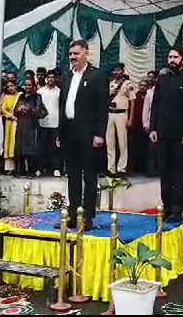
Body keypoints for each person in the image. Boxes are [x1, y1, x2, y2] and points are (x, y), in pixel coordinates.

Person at [58, 39, 108, 231]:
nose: (73, 58)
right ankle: (73, 214)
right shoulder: (67, 77)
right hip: (69, 132)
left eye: (76, 54)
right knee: (72, 176)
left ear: (86, 53)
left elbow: (102, 107)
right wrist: (59, 133)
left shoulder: (97, 76)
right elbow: (63, 105)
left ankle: (87, 216)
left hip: (88, 133)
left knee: (89, 175)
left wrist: (99, 134)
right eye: (70, 54)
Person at [150, 46, 183, 223]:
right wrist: (153, 129)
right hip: (163, 133)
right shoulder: (162, 80)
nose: (172, 60)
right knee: (165, 172)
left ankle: (177, 210)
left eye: (175, 57)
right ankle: (166, 207)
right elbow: (155, 106)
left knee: (179, 173)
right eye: (170, 56)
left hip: (181, 135)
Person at [14, 77, 47, 177]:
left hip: (31, 125)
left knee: (31, 149)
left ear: (33, 86)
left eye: (29, 85)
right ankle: (20, 171)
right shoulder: (21, 97)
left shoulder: (37, 97)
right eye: (26, 85)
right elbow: (14, 111)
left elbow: (42, 112)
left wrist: (29, 109)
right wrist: (20, 109)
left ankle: (32, 171)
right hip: (21, 124)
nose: (27, 87)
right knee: (19, 148)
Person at [107, 63, 134, 177]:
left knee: (122, 143)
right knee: (110, 142)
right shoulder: (111, 84)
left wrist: (130, 118)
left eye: (118, 70)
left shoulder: (128, 84)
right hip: (110, 114)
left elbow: (132, 101)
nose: (116, 73)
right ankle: (111, 168)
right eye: (114, 71)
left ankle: (121, 168)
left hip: (122, 114)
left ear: (123, 71)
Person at [37, 70, 61, 177]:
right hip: (43, 123)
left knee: (55, 148)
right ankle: (41, 168)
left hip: (55, 123)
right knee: (42, 147)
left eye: (53, 77)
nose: (51, 79)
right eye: (49, 77)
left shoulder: (59, 92)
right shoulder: (40, 91)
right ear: (46, 78)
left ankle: (56, 168)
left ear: (56, 79)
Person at [1, 79, 22, 174]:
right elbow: (3, 109)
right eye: (8, 86)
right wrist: (11, 116)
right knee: (8, 144)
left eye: (12, 86)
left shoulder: (20, 95)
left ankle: (19, 167)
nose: (10, 88)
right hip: (9, 122)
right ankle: (9, 168)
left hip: (19, 121)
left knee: (16, 142)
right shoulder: (5, 97)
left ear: (16, 86)